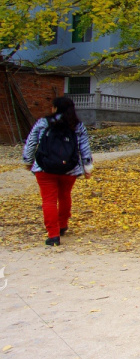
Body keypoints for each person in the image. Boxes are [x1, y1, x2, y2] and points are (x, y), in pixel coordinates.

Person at [22, 96, 94, 246]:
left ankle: (53, 235)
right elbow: (84, 147)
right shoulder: (77, 125)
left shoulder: (43, 122)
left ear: (55, 108)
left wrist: (28, 161)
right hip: (70, 169)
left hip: (44, 168)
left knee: (48, 200)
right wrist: (87, 167)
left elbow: (31, 142)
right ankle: (62, 225)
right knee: (64, 196)